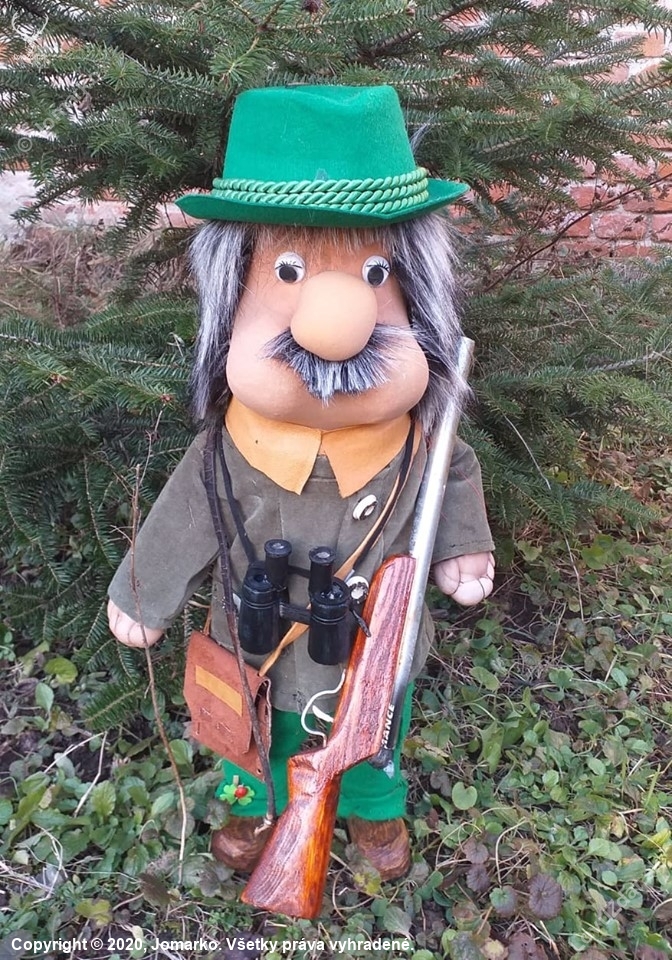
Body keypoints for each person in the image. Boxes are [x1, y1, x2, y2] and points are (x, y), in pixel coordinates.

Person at [107, 84, 495, 881]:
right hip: (255, 646)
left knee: (375, 735)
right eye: (288, 271)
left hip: (370, 650)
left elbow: (452, 474)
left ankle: (372, 815)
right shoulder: (231, 449)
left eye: (376, 273)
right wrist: (144, 594)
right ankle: (255, 813)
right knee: (249, 741)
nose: (338, 326)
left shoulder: (417, 443)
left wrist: (463, 549)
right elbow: (183, 516)